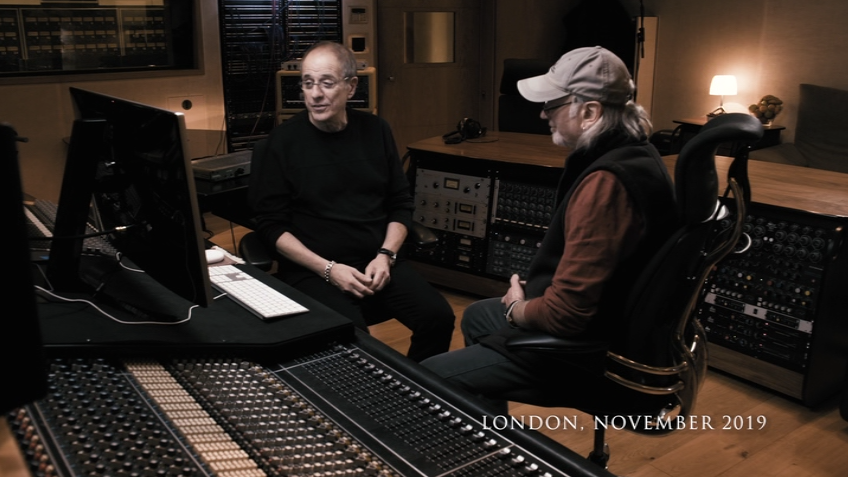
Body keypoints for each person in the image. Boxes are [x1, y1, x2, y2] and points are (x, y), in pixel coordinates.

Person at [421, 46, 678, 411]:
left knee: (430, 378)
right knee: (478, 316)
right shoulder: (637, 155)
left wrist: (517, 307)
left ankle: (491, 434)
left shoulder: (606, 185)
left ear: (589, 112)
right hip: (612, 323)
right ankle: (494, 436)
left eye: (553, 104)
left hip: (589, 350)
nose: (543, 113)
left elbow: (566, 315)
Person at [249, 41, 455, 362]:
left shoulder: (376, 130)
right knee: (354, 339)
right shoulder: (279, 144)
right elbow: (271, 226)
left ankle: (415, 387)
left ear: (351, 86)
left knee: (438, 318)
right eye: (307, 83)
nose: (315, 94)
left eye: (326, 83)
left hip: (377, 262)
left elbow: (400, 203)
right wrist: (329, 270)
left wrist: (386, 255)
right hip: (313, 269)